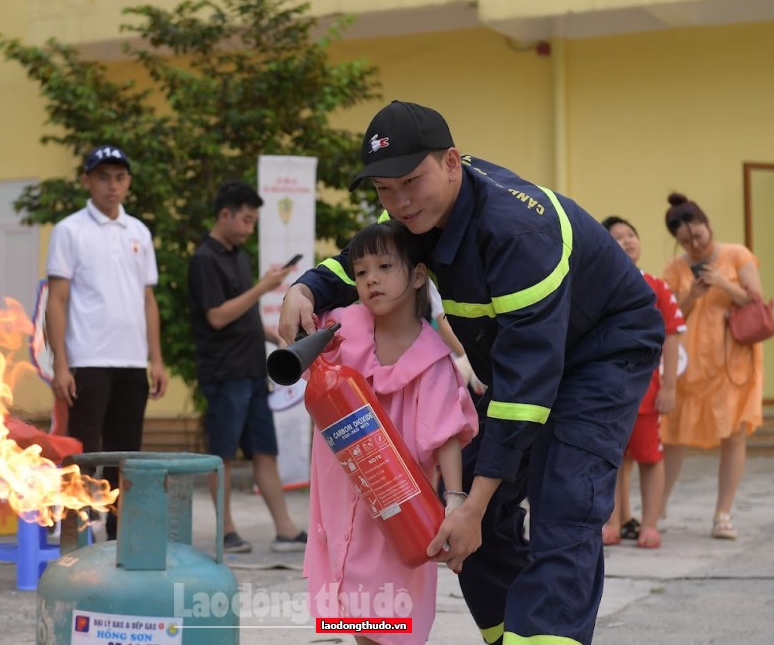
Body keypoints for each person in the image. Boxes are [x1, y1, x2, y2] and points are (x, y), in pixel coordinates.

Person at [279, 100, 664, 644]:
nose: (399, 202)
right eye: (384, 190)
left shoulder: (517, 235)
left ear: (453, 163)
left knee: (564, 504)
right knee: (461, 520)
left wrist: (474, 504)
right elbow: (363, 261)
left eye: (411, 181)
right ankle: (508, 634)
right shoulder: (417, 214)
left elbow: (526, 392)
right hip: (524, 364)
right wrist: (307, 289)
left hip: (602, 350)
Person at [304, 220, 479, 645]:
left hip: (397, 505)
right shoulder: (340, 329)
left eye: (384, 266)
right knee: (350, 604)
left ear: (419, 275)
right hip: (341, 492)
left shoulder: (432, 359)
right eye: (361, 272)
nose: (371, 280)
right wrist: (296, 296)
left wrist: (454, 503)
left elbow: (446, 434)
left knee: (393, 611)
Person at [45, 144, 168, 540]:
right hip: (88, 358)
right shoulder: (69, 230)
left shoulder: (139, 232)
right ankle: (74, 533)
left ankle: (119, 536)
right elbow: (57, 300)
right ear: (87, 180)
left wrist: (157, 360)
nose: (111, 186)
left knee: (125, 454)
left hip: (132, 361)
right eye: (102, 177)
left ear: (128, 181)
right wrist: (60, 363)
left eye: (119, 177)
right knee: (82, 451)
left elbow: (148, 299)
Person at [188, 181, 307, 554]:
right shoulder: (205, 259)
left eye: (253, 222)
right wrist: (264, 287)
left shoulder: (238, 255)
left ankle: (285, 529)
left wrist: (278, 338)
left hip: (254, 371)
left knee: (264, 452)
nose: (249, 228)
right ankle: (226, 532)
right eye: (245, 219)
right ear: (224, 215)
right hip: (224, 375)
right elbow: (219, 317)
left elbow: (245, 316)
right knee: (222, 455)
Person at [659, 192, 765, 540]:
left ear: (708, 225)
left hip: (732, 362)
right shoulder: (676, 268)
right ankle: (657, 509)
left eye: (698, 235)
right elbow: (670, 316)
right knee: (672, 435)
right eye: (686, 241)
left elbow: (756, 302)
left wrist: (723, 282)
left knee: (733, 435)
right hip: (689, 366)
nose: (695, 244)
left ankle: (723, 513)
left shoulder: (737, 255)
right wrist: (694, 294)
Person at [600, 216, 686, 549]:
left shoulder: (657, 286)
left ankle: (649, 523)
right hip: (606, 390)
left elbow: (672, 335)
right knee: (613, 458)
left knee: (650, 456)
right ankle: (614, 521)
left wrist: (669, 387)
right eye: (617, 237)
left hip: (647, 391)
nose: (626, 241)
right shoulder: (597, 288)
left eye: (631, 235)